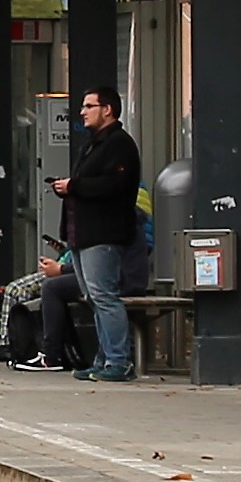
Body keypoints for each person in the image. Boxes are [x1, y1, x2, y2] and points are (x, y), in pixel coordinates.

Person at [50, 88, 144, 382]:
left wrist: (75, 186)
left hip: (104, 234)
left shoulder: (120, 145)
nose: (82, 111)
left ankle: (119, 360)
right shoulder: (92, 146)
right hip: (82, 234)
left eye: (89, 106)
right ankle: (104, 359)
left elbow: (114, 185)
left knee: (104, 296)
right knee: (92, 297)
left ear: (108, 110)